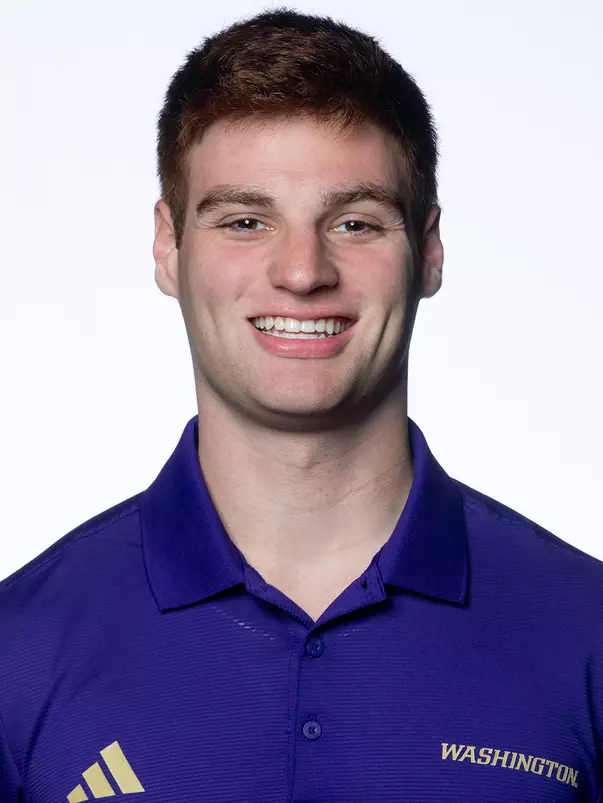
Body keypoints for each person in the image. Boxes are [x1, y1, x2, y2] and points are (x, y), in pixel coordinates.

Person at [1, 8, 602, 802]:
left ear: (427, 250)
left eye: (353, 222)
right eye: (245, 220)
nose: (301, 270)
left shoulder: (584, 631)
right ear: (167, 246)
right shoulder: (20, 648)